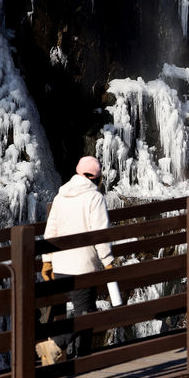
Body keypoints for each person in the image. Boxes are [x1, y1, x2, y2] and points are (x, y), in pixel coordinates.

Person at [35, 156, 114, 365]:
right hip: (82, 267)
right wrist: (108, 261)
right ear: (96, 178)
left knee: (84, 312)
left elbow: (50, 231)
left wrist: (47, 261)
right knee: (87, 314)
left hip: (61, 266)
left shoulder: (61, 196)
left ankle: (82, 361)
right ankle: (55, 345)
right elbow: (100, 233)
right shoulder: (93, 198)